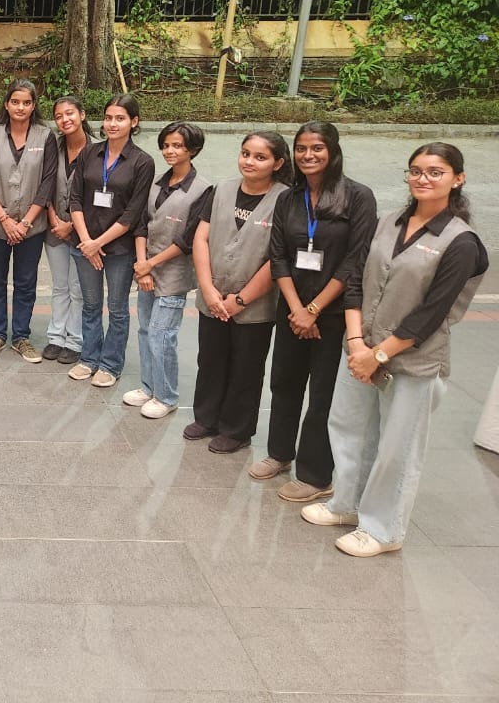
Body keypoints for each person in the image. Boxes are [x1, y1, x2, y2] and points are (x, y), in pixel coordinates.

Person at [303, 143, 487, 557]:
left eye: (435, 172)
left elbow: (432, 313)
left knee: (396, 447)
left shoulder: (461, 242)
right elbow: (355, 279)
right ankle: (347, 504)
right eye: (416, 170)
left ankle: (384, 530)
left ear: (457, 179)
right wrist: (356, 343)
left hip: (411, 360)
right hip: (360, 348)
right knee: (348, 427)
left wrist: (378, 355)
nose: (423, 178)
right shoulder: (387, 222)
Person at [254, 122, 377, 502]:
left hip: (335, 313)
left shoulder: (358, 197)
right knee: (284, 382)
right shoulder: (289, 198)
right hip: (292, 309)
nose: (308, 155)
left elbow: (355, 261)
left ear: (333, 151)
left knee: (323, 394)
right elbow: (278, 256)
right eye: (302, 148)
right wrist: (296, 309)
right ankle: (279, 453)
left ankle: (315, 475)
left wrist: (314, 309)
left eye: (317, 148)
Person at [185, 131, 292, 453]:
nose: (250, 161)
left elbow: (279, 257)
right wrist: (207, 288)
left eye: (260, 157)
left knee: (246, 367)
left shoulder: (285, 200)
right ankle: (207, 418)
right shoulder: (221, 190)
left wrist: (242, 299)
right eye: (246, 154)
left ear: (278, 163)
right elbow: (201, 239)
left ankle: (237, 429)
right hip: (213, 296)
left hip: (254, 305)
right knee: (210, 360)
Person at [67, 94, 155, 387]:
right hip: (85, 243)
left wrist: (98, 243)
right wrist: (86, 241)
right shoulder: (89, 153)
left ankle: (110, 364)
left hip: (119, 248)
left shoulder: (142, 162)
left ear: (134, 122)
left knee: (117, 309)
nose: (112, 124)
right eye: (108, 118)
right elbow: (75, 199)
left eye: (120, 118)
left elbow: (133, 213)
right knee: (90, 305)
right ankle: (89, 358)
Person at [126, 121, 212, 419]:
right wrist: (142, 266)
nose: (169, 151)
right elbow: (141, 224)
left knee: (162, 334)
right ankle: (148, 387)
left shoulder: (203, 189)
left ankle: (166, 396)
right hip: (146, 270)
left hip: (173, 274)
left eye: (177, 146)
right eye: (165, 145)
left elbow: (188, 239)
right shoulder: (156, 183)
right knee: (145, 330)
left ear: (193, 150)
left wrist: (150, 264)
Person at [0, 78, 57, 363]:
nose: (20, 107)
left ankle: (21, 336)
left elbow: (48, 182)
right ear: (6, 104)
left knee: (25, 283)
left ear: (34, 106)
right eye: (15, 102)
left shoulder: (45, 137)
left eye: (26, 102)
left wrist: (24, 223)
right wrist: (5, 220)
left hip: (31, 228)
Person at [43, 96, 90, 364]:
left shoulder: (96, 151)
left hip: (83, 232)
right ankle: (55, 337)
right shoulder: (54, 148)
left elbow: (96, 195)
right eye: (59, 116)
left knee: (77, 288)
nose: (65, 120)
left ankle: (74, 340)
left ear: (82, 115)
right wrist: (54, 220)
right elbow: (45, 185)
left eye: (70, 113)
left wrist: (71, 225)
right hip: (54, 229)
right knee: (60, 285)